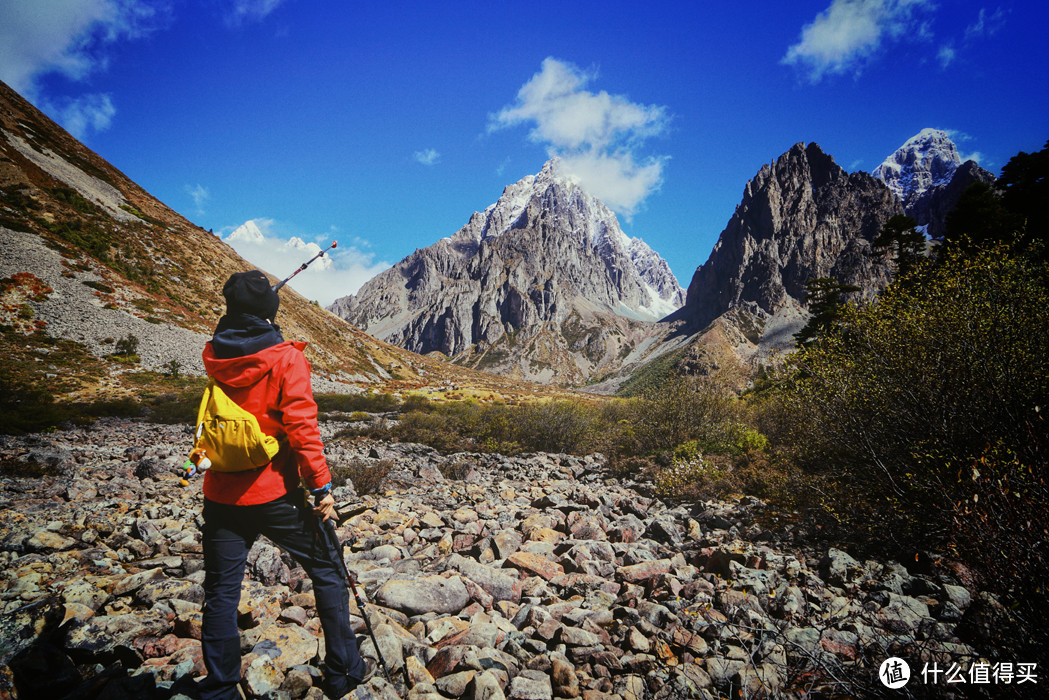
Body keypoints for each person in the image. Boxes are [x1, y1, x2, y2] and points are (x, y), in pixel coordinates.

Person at [198, 270, 367, 699]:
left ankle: (219, 689)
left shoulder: (215, 354)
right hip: (275, 493)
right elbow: (302, 430)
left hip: (220, 494)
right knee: (328, 567)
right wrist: (323, 490)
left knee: (220, 591)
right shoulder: (286, 358)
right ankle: (344, 670)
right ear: (268, 312)